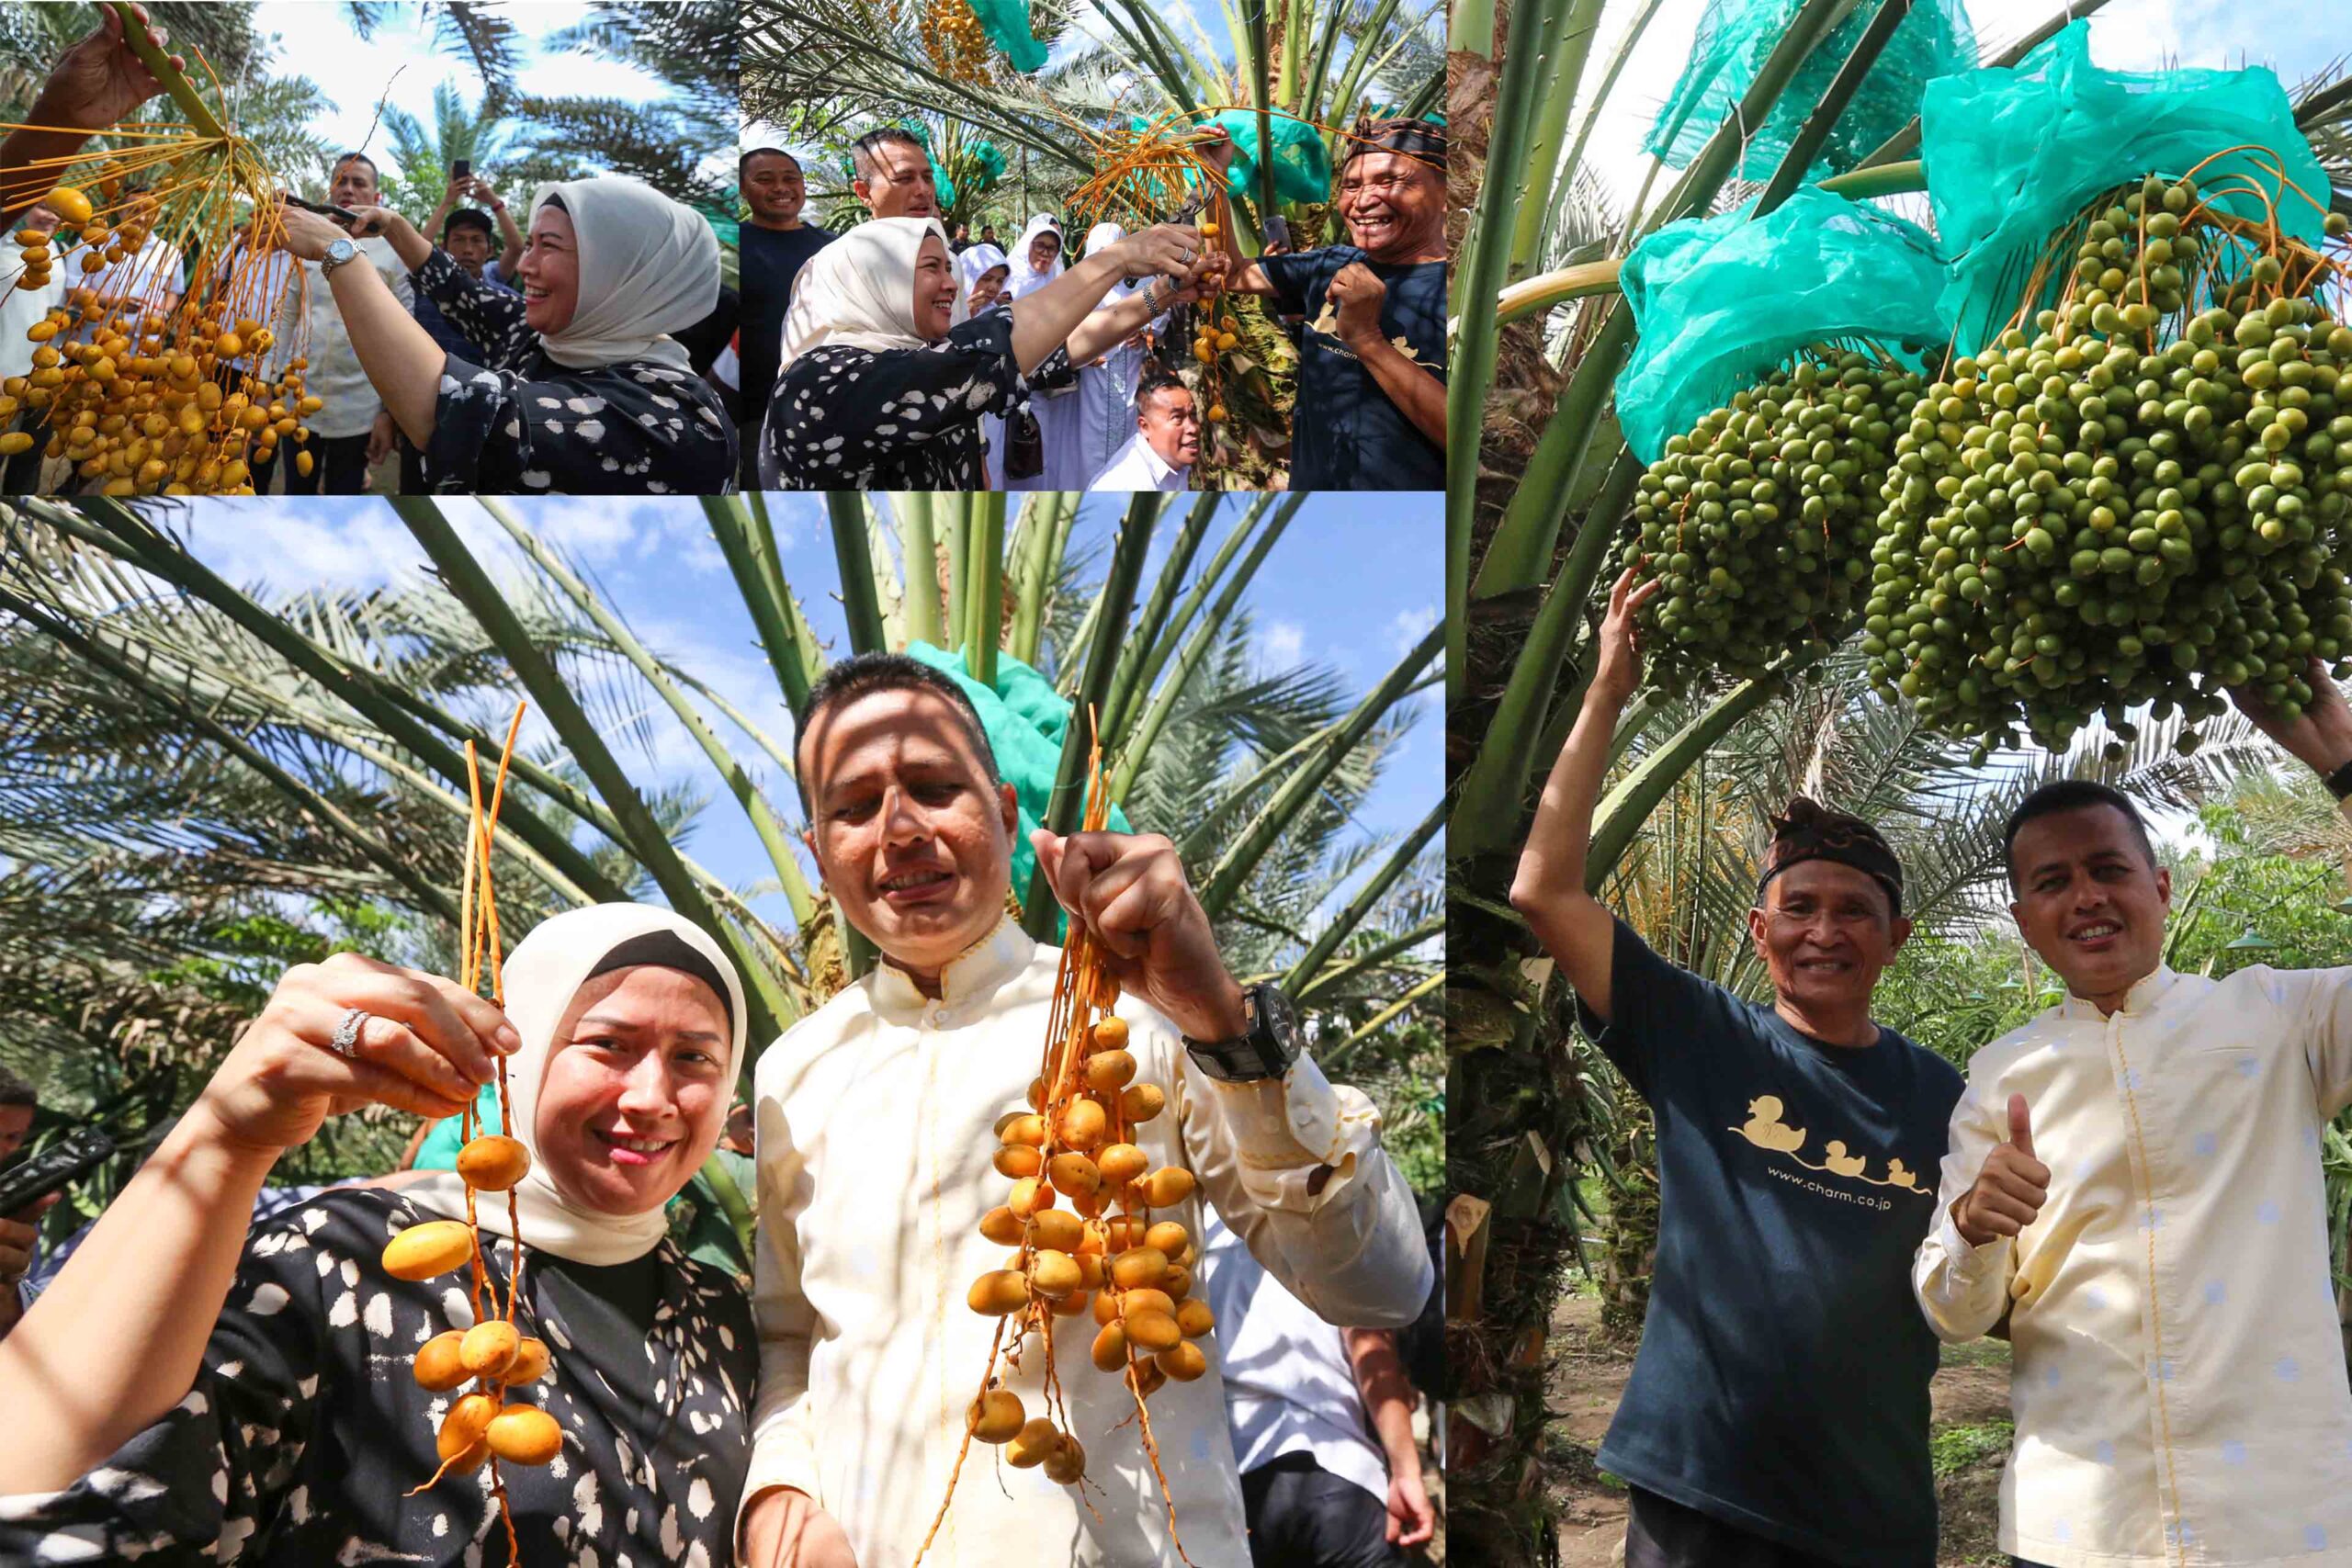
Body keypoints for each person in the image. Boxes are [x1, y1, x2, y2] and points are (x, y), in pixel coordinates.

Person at [739, 652, 1430, 1567]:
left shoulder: (1143, 1021)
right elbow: (792, 1336)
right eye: (855, 807)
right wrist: (780, 1497)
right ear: (818, 851)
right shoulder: (796, 1070)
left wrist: (1223, 1019)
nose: (900, 828)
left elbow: (1378, 1286)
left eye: (936, 787)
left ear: (1007, 811)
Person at [0, 904, 761, 1563]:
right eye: (608, 1044)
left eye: (693, 1056)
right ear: (518, 1061)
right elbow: (56, 1506)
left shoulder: (727, 1315)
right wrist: (227, 1135)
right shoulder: (343, 1258)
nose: (652, 1096)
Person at [1510, 569, 1962, 1567]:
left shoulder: (1945, 1096)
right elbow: (1543, 890)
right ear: (1761, 933)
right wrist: (1606, 694)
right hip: (1703, 1492)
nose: (1825, 930)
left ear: (1896, 937)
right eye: (1799, 908)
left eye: (1854, 910)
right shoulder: (1701, 1038)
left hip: (1871, 1510)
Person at [1915, 681, 2352, 1568]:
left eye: (2108, 869)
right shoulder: (2002, 1073)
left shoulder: (2278, 1017)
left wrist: (2343, 762)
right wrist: (1972, 1224)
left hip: (2278, 1517)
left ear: (2157, 884)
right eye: (2052, 881)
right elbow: (1953, 1313)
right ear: (2023, 919)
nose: (2085, 896)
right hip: (2079, 1525)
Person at [269, 175, 733, 495]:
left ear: (624, 271)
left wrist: (339, 255)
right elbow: (458, 291)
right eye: (528, 243)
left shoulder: (677, 419)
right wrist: (392, 226)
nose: (525, 265)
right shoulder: (541, 333)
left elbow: (461, 415)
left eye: (547, 246)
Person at [760, 216, 1204, 491]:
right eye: (931, 268)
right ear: (872, 279)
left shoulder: (925, 356)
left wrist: (1162, 295)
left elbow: (1063, 348)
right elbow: (985, 354)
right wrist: (1116, 261)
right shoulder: (817, 382)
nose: (952, 284)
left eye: (948, 268)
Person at [1200, 118, 1446, 490]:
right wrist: (1214, 175)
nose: (1363, 201)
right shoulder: (1330, 263)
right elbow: (1231, 273)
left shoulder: (1462, 296)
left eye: (1389, 181)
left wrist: (1366, 339)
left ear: (1447, 192)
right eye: (1351, 185)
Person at [1197, 1209, 1436, 1566]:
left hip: (1239, 1478)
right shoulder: (1324, 1217)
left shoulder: (1190, 1234)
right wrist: (1407, 1473)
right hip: (1339, 1474)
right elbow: (1370, 1351)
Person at [268, 153, 414, 495]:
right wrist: (264, 386)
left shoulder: (392, 254)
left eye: (359, 182)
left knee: (345, 491)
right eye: (341, 181)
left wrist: (388, 414)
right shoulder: (305, 243)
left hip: (360, 409)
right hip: (299, 399)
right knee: (296, 490)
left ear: (376, 198)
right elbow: (286, 318)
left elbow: (404, 335)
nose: (348, 188)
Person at [739, 148, 834, 490]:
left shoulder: (832, 248)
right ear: (743, 189)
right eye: (765, 180)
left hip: (830, 406)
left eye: (790, 178)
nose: (781, 187)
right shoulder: (732, 247)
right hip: (756, 415)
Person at [1068, 220, 1165, 489]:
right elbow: (1069, 324)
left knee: (1128, 433)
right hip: (1096, 373)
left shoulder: (1140, 280)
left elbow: (1157, 308)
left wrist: (1143, 328)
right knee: (1092, 438)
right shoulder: (1081, 284)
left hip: (1130, 369)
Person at [1004, 212, 1080, 491]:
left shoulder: (1058, 283)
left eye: (1052, 248)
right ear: (1028, 244)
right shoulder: (1006, 279)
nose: (1046, 254)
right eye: (1040, 246)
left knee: (1037, 446)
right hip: (1005, 383)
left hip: (1041, 383)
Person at [1089, 362, 1197, 491]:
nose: (1193, 428)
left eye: (1193, 415)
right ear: (1145, 427)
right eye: (1177, 418)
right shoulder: (1126, 483)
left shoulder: (1174, 462)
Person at [422, 174, 526, 287]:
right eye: (459, 240)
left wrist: (495, 203)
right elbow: (418, 249)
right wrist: (447, 202)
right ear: (444, 248)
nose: (468, 250)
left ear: (489, 251)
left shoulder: (492, 275)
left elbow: (516, 248)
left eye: (476, 241)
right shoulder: (435, 279)